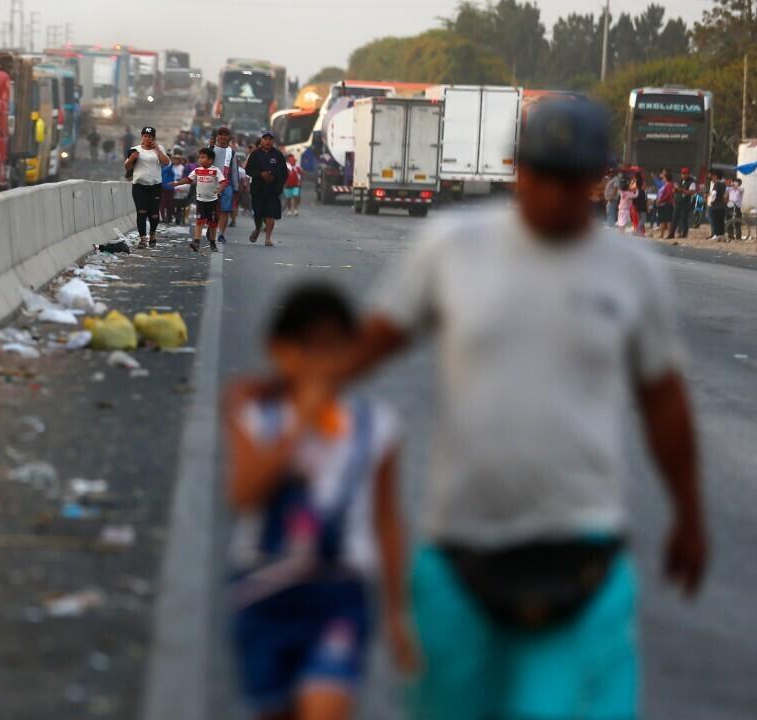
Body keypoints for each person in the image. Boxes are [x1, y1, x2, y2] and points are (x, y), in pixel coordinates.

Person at [322, 99, 707, 720]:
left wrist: (690, 516)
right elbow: (369, 345)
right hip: (458, 558)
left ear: (597, 178)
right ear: (517, 168)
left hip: (585, 555)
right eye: (542, 174)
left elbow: (665, 403)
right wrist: (288, 395)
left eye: (571, 179)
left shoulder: (634, 271)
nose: (554, 194)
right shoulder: (452, 246)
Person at [225, 283, 411, 720]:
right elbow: (244, 494)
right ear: (279, 350)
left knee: (326, 705)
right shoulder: (257, 418)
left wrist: (396, 611)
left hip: (339, 591)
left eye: (333, 348)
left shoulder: (376, 426)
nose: (320, 361)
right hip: (265, 591)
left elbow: (387, 520)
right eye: (306, 347)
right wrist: (299, 425)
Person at [125, 126, 170, 249]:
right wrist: (131, 159)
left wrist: (157, 150)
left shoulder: (160, 149)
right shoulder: (135, 150)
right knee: (142, 212)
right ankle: (143, 239)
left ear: (153, 138)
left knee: (154, 213)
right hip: (139, 186)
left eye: (150, 137)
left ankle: (153, 234)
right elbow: (127, 167)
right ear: (142, 137)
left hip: (155, 185)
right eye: (145, 136)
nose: (147, 139)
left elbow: (166, 163)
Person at [174, 146, 226, 253]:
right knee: (199, 221)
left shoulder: (215, 171)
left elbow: (223, 182)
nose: (200, 160)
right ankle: (196, 242)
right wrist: (177, 183)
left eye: (203, 157)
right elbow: (188, 179)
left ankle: (212, 243)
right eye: (199, 157)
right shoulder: (197, 170)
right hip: (201, 201)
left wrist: (219, 190)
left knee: (212, 224)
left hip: (213, 202)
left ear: (210, 160)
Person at [246, 132, 289, 246]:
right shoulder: (255, 154)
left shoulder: (278, 155)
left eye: (270, 139)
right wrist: (261, 174)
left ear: (273, 141)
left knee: (271, 214)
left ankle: (268, 238)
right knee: (258, 213)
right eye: (265, 139)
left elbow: (284, 172)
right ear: (261, 140)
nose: (268, 141)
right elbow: (248, 170)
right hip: (257, 189)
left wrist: (276, 181)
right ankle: (257, 228)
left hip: (272, 190)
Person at [213, 127, 242, 243]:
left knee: (225, 210)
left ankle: (221, 234)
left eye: (225, 134)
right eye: (221, 134)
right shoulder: (211, 149)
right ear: (217, 136)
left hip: (227, 185)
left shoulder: (232, 153)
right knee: (213, 210)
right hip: (212, 185)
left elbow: (234, 170)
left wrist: (236, 188)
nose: (223, 137)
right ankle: (212, 231)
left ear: (229, 137)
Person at [169, 150, 193, 225]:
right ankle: (170, 216)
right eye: (174, 159)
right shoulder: (171, 167)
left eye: (177, 159)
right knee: (171, 203)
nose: (175, 161)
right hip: (171, 186)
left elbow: (184, 177)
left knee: (180, 203)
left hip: (180, 185)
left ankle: (178, 218)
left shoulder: (183, 168)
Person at [672, 168, 697, 239]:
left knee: (683, 219)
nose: (683, 175)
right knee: (674, 218)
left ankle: (683, 233)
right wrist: (675, 190)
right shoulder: (680, 181)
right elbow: (675, 189)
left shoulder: (692, 182)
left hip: (686, 203)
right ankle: (672, 233)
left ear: (688, 174)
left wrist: (681, 190)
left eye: (685, 174)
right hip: (677, 201)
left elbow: (692, 192)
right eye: (682, 174)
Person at [655, 170, 677, 240]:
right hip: (662, 204)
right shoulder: (664, 185)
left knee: (668, 219)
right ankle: (661, 234)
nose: (662, 178)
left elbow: (668, 195)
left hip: (667, 203)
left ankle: (669, 233)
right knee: (662, 219)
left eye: (664, 177)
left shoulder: (669, 184)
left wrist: (660, 200)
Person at [707, 170, 728, 241]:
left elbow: (714, 194)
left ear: (715, 176)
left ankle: (715, 234)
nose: (711, 177)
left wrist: (711, 201)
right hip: (722, 205)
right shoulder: (724, 184)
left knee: (714, 221)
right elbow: (726, 195)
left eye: (712, 176)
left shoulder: (716, 184)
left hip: (715, 205)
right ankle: (721, 235)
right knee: (721, 221)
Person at [283, 152, 303, 216]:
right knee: (288, 198)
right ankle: (289, 210)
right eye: (289, 158)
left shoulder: (297, 166)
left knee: (295, 196)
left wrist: (299, 182)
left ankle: (295, 210)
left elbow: (300, 174)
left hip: (295, 185)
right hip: (287, 185)